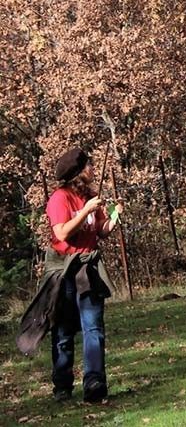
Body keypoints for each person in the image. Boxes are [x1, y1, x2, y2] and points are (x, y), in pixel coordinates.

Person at [29, 148, 121, 403]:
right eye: (88, 164)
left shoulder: (91, 195)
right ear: (78, 173)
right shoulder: (59, 199)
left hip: (88, 267)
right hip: (64, 269)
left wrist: (113, 216)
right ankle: (62, 385)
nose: (92, 167)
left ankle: (94, 383)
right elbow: (61, 234)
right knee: (63, 330)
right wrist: (84, 211)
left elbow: (101, 231)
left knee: (94, 327)